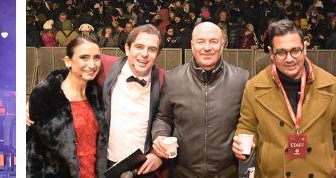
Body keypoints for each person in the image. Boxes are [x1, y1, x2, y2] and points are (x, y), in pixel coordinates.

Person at [234, 19, 336, 178]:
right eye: (281, 52)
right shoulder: (253, 87)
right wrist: (242, 143)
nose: (289, 59)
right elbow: (247, 126)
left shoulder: (331, 86)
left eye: (295, 50)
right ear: (271, 53)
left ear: (305, 48)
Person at [150, 22, 249, 178]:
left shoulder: (241, 79)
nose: (207, 47)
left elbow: (250, 122)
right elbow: (163, 117)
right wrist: (160, 135)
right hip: (182, 172)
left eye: (214, 41)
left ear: (223, 45)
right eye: (201, 41)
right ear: (192, 45)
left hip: (228, 173)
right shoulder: (172, 78)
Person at [28, 37, 107, 177]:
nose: (92, 64)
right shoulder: (46, 96)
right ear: (68, 61)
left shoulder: (97, 94)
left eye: (96, 58)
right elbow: (33, 155)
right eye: (84, 57)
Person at [98, 25, 165, 176]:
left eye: (152, 49)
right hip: (106, 165)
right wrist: (35, 102)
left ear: (157, 54)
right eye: (139, 47)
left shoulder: (164, 79)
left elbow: (170, 120)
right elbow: (70, 72)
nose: (144, 54)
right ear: (127, 48)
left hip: (143, 168)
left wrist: (158, 154)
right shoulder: (104, 65)